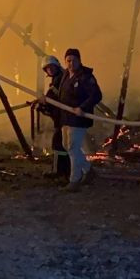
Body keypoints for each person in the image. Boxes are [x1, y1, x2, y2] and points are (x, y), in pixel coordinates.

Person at [56, 48, 102, 191]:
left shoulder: (86, 77)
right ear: (65, 61)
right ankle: (88, 171)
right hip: (66, 117)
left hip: (79, 118)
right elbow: (57, 91)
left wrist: (82, 108)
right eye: (68, 60)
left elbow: (96, 95)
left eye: (74, 60)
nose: (71, 63)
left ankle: (74, 181)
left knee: (73, 148)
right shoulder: (65, 75)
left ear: (80, 61)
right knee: (66, 145)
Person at [37, 55, 69, 179]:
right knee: (63, 145)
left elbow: (54, 97)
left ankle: (59, 171)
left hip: (64, 118)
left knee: (58, 144)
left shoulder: (61, 79)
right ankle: (66, 171)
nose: (49, 70)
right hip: (61, 118)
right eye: (47, 69)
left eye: (51, 67)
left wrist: (45, 101)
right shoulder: (60, 77)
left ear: (56, 66)